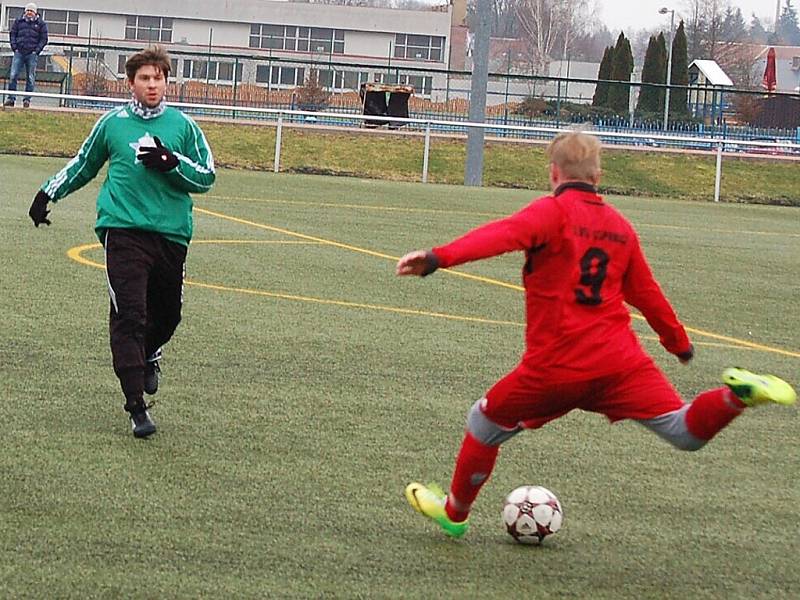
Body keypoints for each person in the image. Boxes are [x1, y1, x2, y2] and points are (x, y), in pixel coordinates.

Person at [396, 131, 796, 538]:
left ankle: (455, 514)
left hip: (556, 368)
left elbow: (500, 236)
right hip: (620, 364)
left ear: (553, 173)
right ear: (598, 175)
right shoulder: (620, 227)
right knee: (684, 431)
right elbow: (646, 294)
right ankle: (735, 396)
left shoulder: (550, 213)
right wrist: (679, 344)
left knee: (484, 423)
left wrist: (437, 258)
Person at [28, 46, 216, 438]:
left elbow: (207, 176)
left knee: (168, 315)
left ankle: (150, 353)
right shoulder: (112, 124)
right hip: (123, 231)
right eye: (145, 78)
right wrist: (47, 193)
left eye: (159, 78)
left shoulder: (183, 126)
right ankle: (136, 408)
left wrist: (171, 163)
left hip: (171, 233)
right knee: (129, 316)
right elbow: (83, 164)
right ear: (131, 83)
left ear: (167, 82)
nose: (152, 84)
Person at [4, 3, 48, 108]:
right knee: (13, 75)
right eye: (27, 10)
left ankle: (27, 100)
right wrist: (14, 47)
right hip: (19, 52)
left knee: (30, 77)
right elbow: (13, 34)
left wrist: (36, 51)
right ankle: (11, 99)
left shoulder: (41, 24)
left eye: (31, 11)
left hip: (32, 54)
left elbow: (44, 39)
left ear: (35, 12)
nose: (29, 13)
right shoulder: (18, 22)